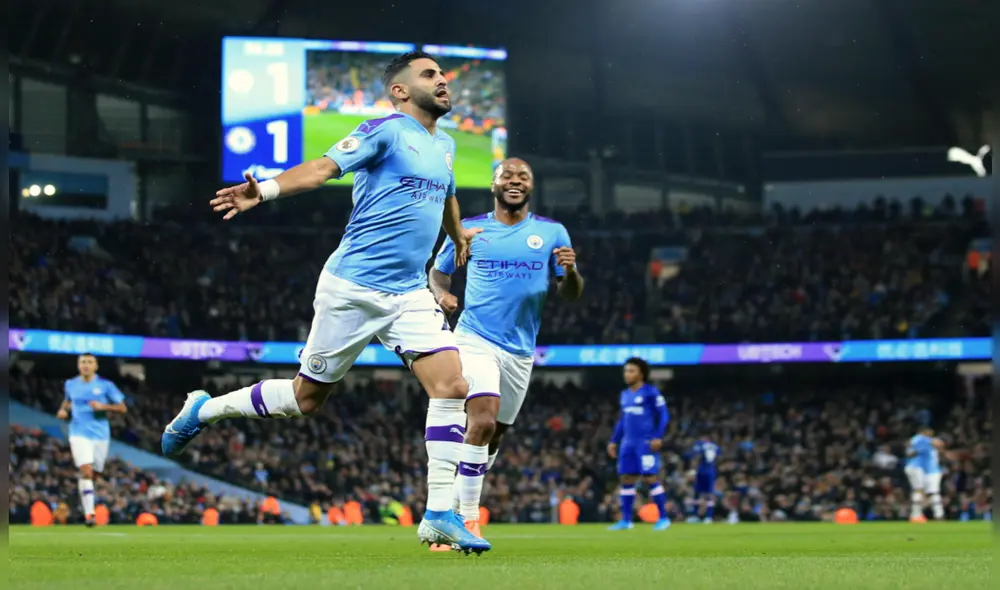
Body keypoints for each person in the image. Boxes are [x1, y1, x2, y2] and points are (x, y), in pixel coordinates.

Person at [161, 51, 488, 554]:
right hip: (352, 287)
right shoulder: (383, 130)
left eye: (443, 74)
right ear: (399, 91)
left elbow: (444, 190)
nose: (442, 80)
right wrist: (264, 191)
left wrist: (456, 230)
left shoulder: (444, 143)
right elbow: (321, 168)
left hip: (408, 292)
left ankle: (439, 514)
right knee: (305, 400)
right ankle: (206, 410)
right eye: (429, 75)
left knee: (452, 384)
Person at [427, 157, 583, 549]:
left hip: (520, 351)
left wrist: (573, 272)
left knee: (493, 437)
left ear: (531, 186)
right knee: (480, 420)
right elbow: (437, 271)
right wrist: (441, 293)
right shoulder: (471, 229)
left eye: (523, 177)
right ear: (494, 185)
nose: (515, 181)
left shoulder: (551, 232)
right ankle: (466, 520)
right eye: (507, 176)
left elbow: (570, 292)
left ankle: (453, 507)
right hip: (474, 339)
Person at [56, 353, 127, 527]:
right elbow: (67, 401)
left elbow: (122, 408)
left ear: (96, 366)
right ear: (78, 365)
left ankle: (85, 496)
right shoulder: (71, 384)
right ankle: (90, 515)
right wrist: (63, 410)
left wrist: (104, 406)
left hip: (100, 434)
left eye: (89, 362)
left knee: (94, 473)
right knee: (86, 471)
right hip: (78, 432)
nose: (85, 365)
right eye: (82, 362)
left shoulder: (105, 385)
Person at [606, 357, 671, 531]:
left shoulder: (651, 392)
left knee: (650, 477)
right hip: (628, 443)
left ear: (641, 373)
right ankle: (626, 521)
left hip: (645, 443)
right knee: (626, 478)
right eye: (626, 370)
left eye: (631, 371)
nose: (627, 374)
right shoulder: (625, 395)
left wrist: (658, 436)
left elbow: (664, 415)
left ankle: (663, 518)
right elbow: (622, 420)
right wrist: (613, 440)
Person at [905, 426, 946, 521]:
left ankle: (938, 515)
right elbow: (938, 444)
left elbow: (909, 451)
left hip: (928, 470)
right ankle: (916, 515)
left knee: (931, 492)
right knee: (920, 491)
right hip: (920, 468)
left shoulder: (921, 442)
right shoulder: (920, 439)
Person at [689, 436, 720, 523]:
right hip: (711, 471)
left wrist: (693, 470)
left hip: (701, 471)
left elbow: (696, 457)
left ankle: (695, 516)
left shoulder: (700, 444)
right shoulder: (715, 446)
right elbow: (717, 458)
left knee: (697, 493)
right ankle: (709, 517)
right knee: (709, 494)